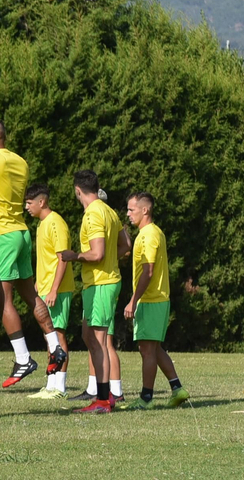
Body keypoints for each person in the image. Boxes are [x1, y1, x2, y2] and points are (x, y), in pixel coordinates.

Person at [0, 120, 63, 389]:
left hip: (0, 237)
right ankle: (55, 346)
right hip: (21, 232)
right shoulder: (21, 162)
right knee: (30, 294)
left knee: (3, 299)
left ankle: (23, 357)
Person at [59, 170, 129, 414]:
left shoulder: (93, 215)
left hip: (101, 284)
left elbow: (97, 253)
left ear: (78, 191)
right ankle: (105, 393)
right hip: (100, 283)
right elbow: (126, 245)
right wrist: (110, 259)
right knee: (89, 335)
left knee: (98, 341)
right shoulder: (109, 212)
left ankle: (102, 400)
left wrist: (74, 255)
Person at [121, 192, 190, 409]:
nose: (128, 213)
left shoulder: (149, 235)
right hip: (154, 300)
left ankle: (146, 398)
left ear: (145, 210)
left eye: (132, 209)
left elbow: (148, 272)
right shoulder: (149, 233)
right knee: (154, 348)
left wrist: (133, 300)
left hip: (152, 301)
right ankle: (177, 389)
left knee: (147, 350)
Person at [24, 184, 76, 400]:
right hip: (45, 289)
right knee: (50, 338)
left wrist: (54, 289)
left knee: (58, 335)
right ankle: (50, 385)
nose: (26, 207)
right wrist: (38, 284)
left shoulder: (56, 223)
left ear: (41, 202)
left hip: (58, 290)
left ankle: (60, 387)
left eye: (29, 203)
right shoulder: (42, 224)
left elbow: (62, 258)